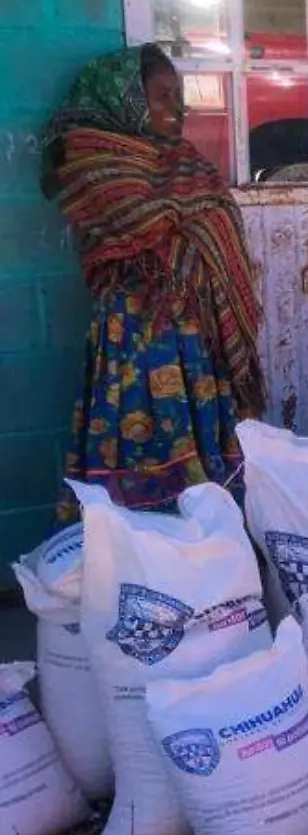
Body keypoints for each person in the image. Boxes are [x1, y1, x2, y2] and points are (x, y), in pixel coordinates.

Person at [41, 45, 266, 520]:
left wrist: (197, 224)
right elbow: (147, 224)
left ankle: (213, 545)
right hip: (133, 335)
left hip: (195, 336)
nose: (176, 107)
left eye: (178, 95)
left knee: (204, 445)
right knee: (137, 441)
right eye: (162, 96)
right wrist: (198, 223)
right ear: (127, 100)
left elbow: (210, 216)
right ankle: (144, 556)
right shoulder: (94, 159)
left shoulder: (184, 160)